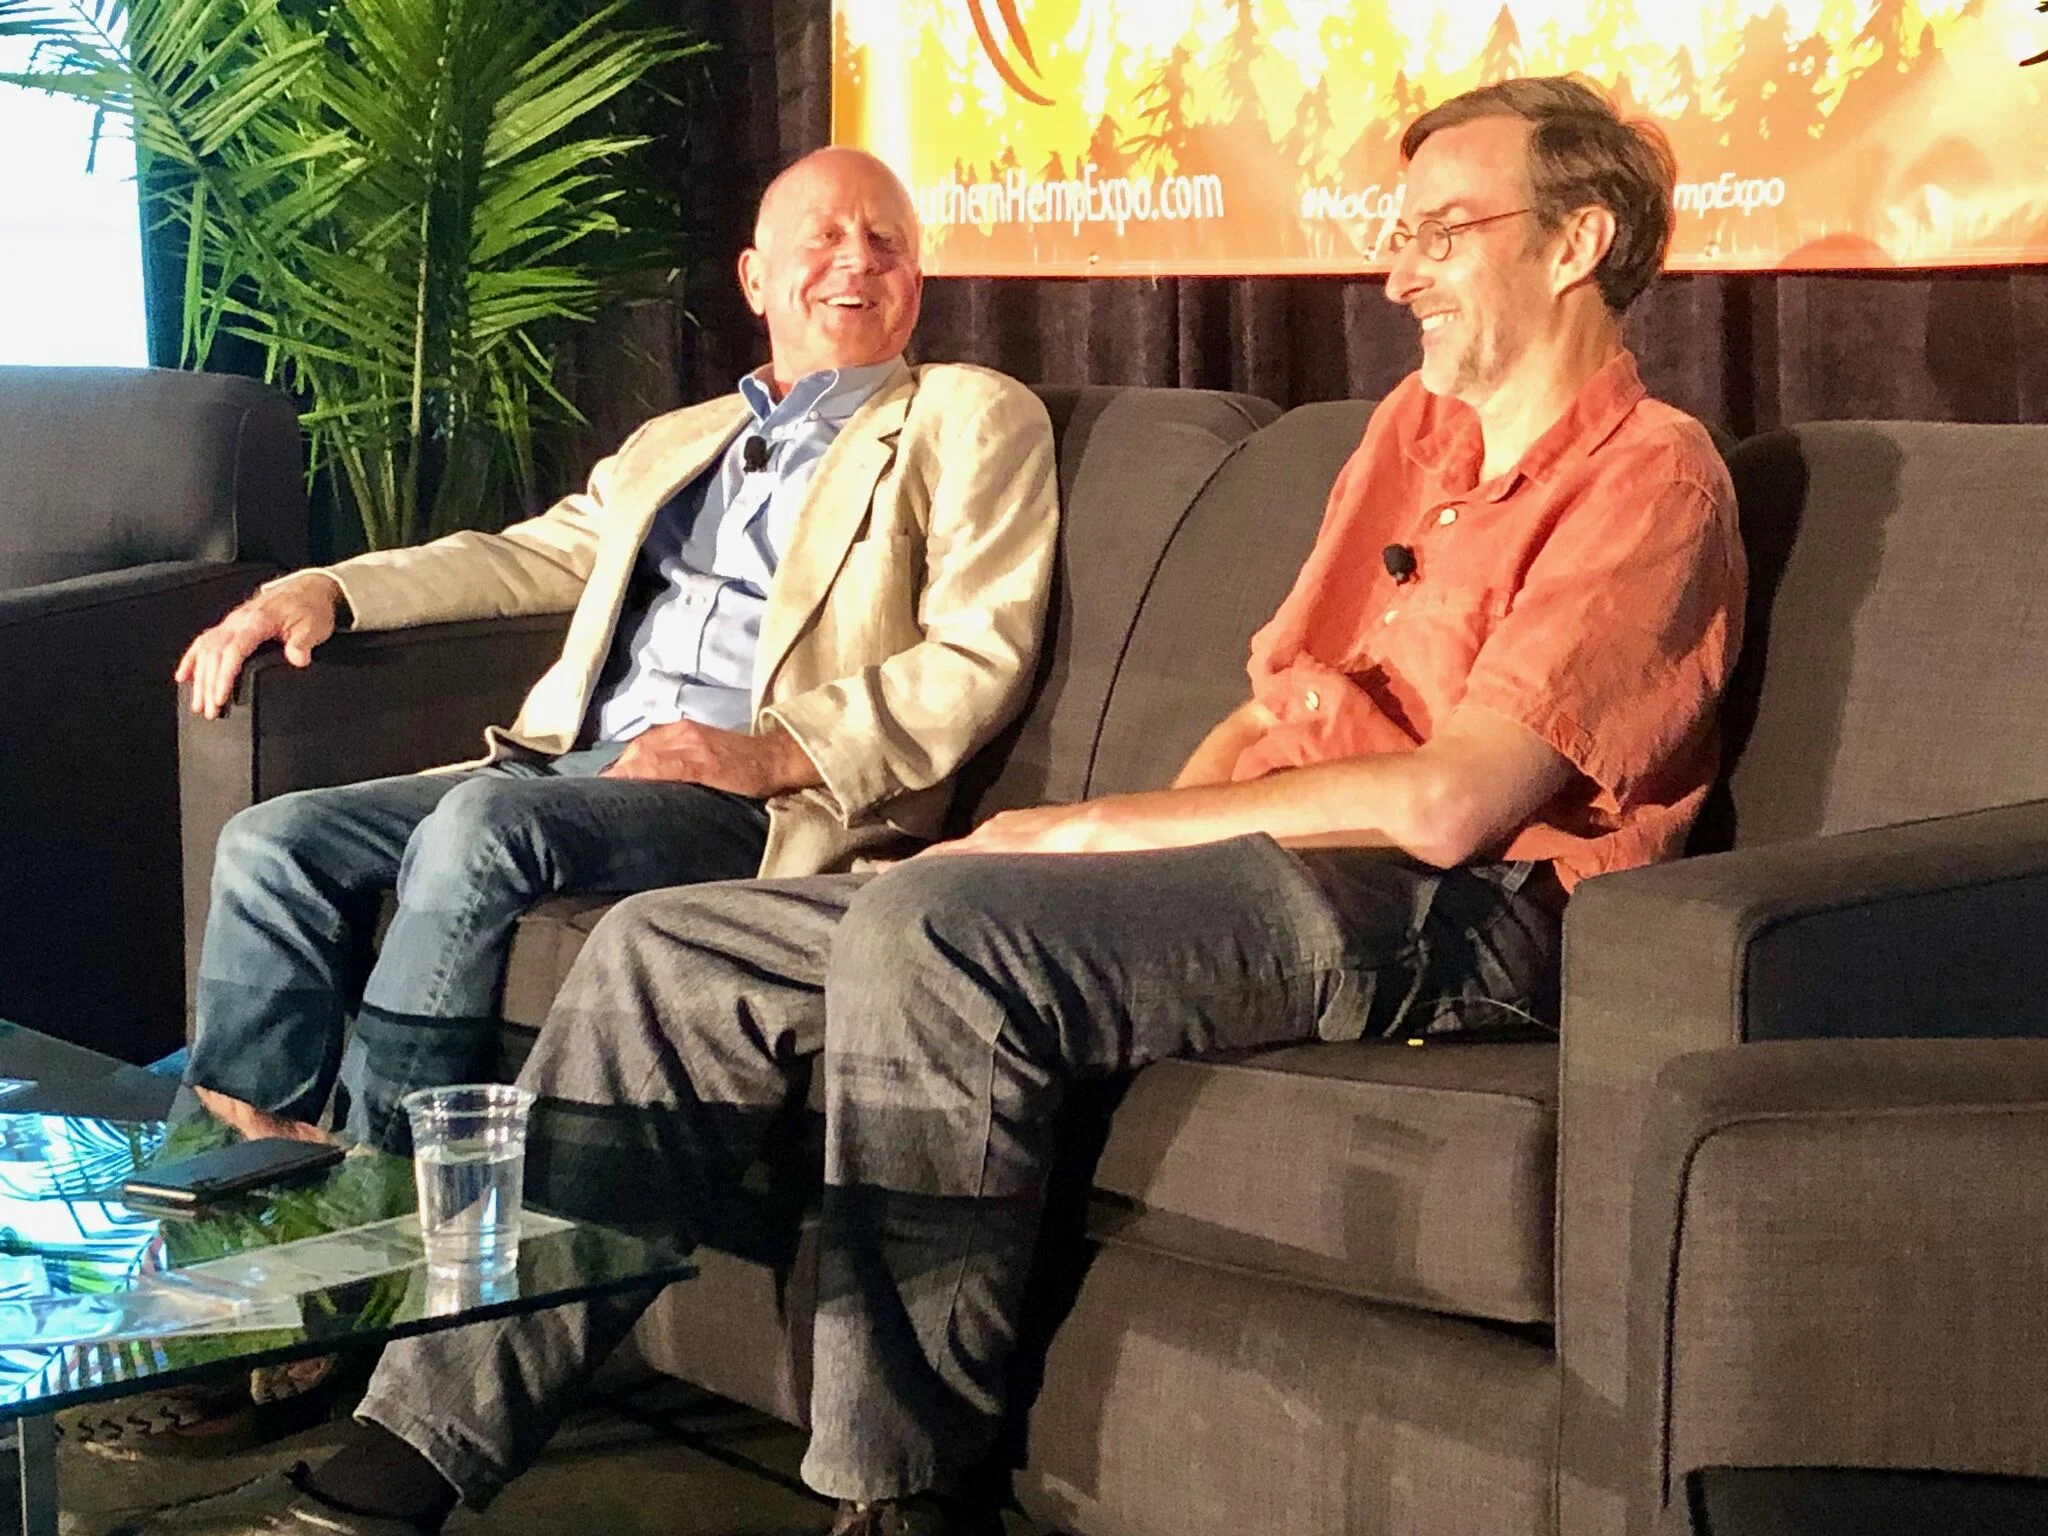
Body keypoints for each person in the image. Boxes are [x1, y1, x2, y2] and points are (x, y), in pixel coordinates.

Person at [131, 77, 1745, 1536]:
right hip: (1277, 857)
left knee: (936, 922)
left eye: (1437, 233)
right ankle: (418, 1442)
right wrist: (1124, 834)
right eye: (1391, 234)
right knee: (669, 951)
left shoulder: (1652, 478)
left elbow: (1457, 800)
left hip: (1455, 917)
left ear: (1574, 239)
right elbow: (1273, 701)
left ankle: (897, 1495)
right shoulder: (1407, 435)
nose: (1394, 271)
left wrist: (1073, 835)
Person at [173, 147, 1058, 1156]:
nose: (856, 260)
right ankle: (237, 1168)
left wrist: (768, 753)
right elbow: (529, 556)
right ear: (755, 278)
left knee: (481, 825)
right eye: (824, 237)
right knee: (272, 843)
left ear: (915, 281)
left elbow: (975, 652)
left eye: (886, 242)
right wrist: (331, 587)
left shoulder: (967, 416)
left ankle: (382, 1186)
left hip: (754, 797)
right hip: (573, 768)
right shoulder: (682, 437)